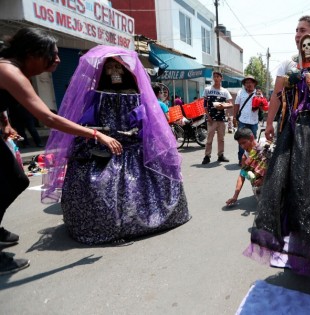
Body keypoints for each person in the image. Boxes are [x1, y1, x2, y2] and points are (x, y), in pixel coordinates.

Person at [0, 28, 122, 274]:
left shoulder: (12, 69)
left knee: (15, 180)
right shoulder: (10, 71)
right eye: (51, 54)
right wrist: (97, 134)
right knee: (14, 180)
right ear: (30, 53)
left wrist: (5, 124)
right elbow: (47, 117)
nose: (57, 60)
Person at [42, 46, 190, 244]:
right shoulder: (96, 95)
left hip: (131, 144)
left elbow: (146, 121)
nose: (114, 72)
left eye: (117, 68)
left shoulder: (135, 95)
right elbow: (87, 119)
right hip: (104, 145)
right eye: (109, 68)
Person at [244, 34, 310, 277]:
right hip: (292, 133)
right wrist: (294, 84)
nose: (307, 48)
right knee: (288, 190)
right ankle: (295, 250)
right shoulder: (292, 70)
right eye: (303, 45)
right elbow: (282, 99)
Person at [225, 128, 271, 206]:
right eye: (240, 144)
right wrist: (235, 196)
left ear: (252, 138)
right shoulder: (245, 156)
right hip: (260, 184)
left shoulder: (266, 145)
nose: (242, 146)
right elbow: (242, 175)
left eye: (244, 142)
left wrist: (264, 178)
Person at [202, 71, 232, 164]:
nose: (215, 78)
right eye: (214, 76)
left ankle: (220, 155)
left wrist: (223, 106)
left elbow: (230, 104)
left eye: (218, 76)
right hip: (211, 119)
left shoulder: (225, 91)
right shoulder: (207, 89)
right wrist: (208, 116)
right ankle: (207, 156)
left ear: (221, 78)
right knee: (209, 139)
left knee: (221, 139)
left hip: (221, 119)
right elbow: (205, 105)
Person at [234, 75, 260, 165]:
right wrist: (234, 117)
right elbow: (236, 105)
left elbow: (263, 106)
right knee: (241, 141)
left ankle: (253, 159)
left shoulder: (258, 93)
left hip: (254, 121)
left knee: (253, 141)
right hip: (243, 121)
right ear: (244, 84)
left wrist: (259, 104)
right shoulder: (240, 92)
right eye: (246, 82)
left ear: (254, 83)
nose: (248, 84)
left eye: (250, 82)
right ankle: (242, 160)